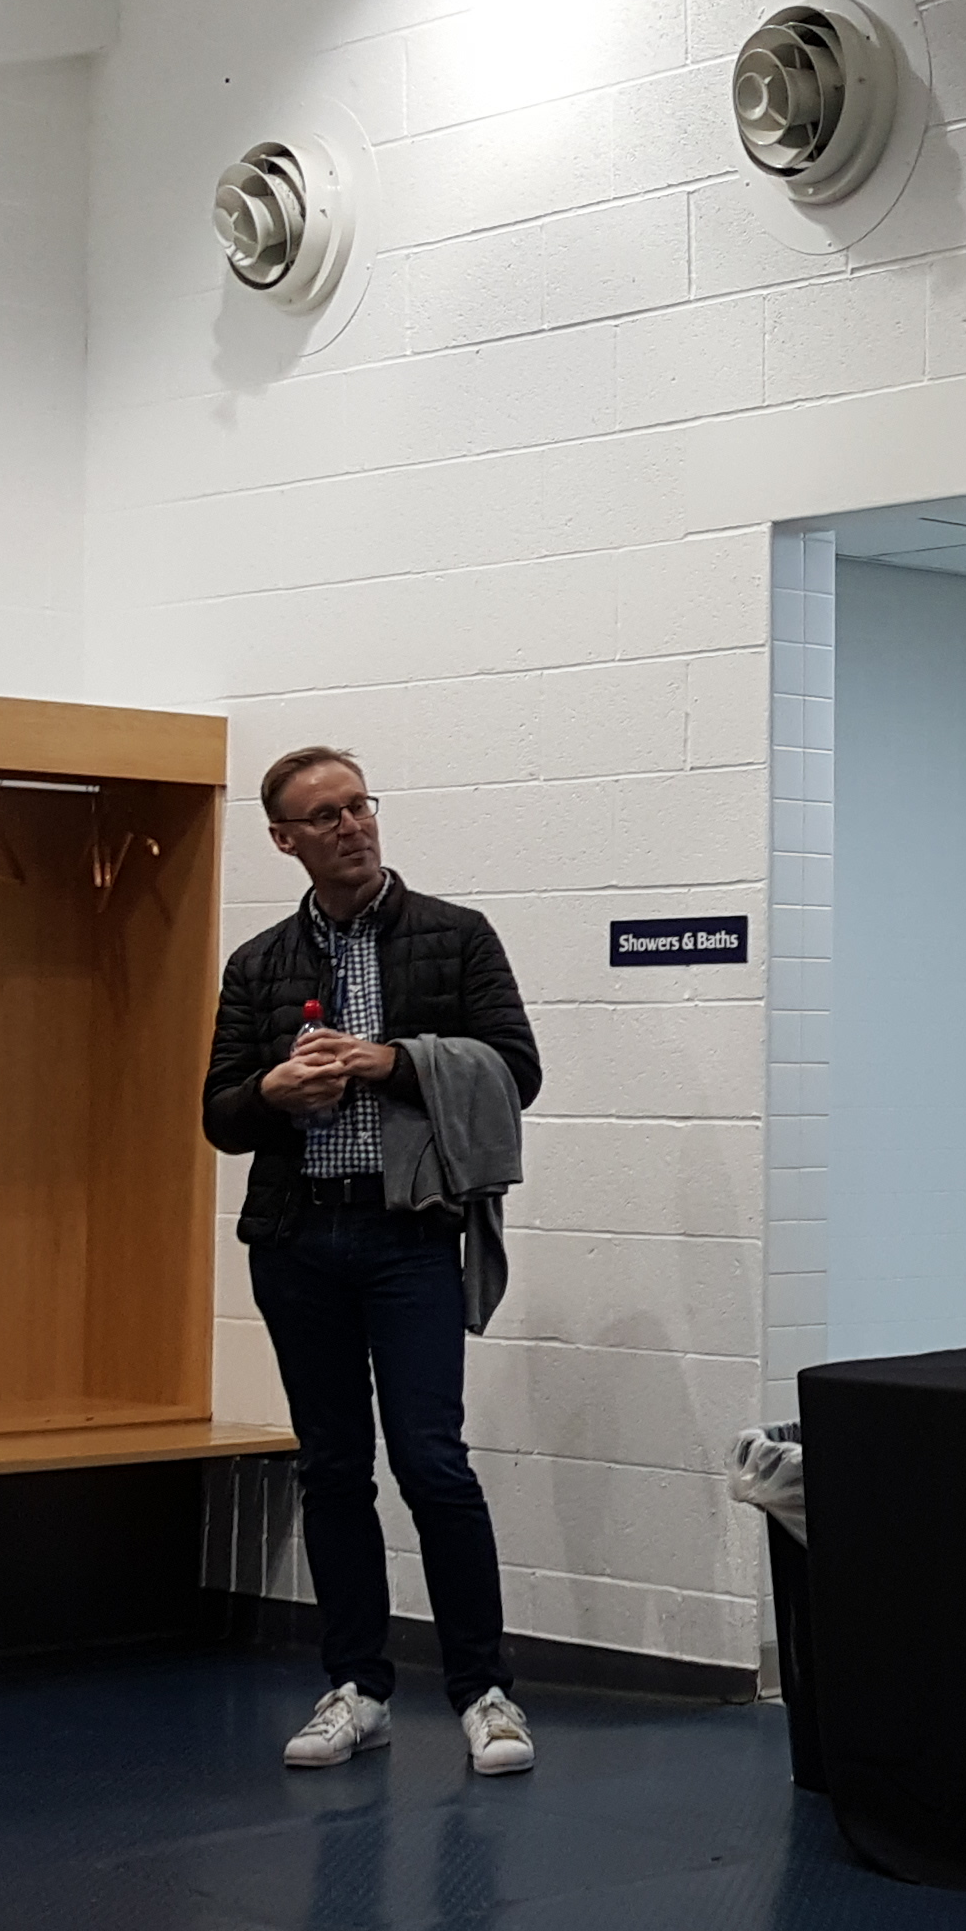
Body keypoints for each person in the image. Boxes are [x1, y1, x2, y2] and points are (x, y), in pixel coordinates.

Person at [205, 742, 546, 1781]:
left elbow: (517, 1071)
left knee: (431, 1460)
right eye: (326, 815)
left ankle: (483, 1691)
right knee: (330, 1467)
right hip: (298, 1240)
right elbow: (219, 1115)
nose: (352, 826)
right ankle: (356, 1688)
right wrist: (274, 1093)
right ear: (284, 840)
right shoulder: (258, 963)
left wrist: (390, 1063)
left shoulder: (454, 935)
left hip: (409, 1237)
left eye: (359, 806)